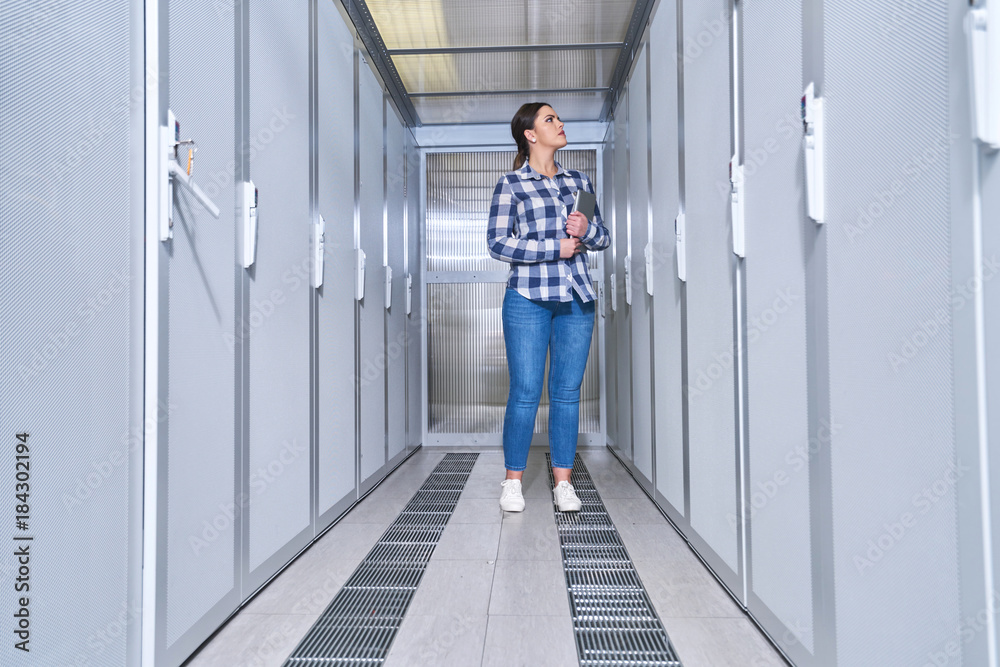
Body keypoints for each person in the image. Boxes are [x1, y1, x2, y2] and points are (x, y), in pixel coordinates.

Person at [486, 102, 611, 513]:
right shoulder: (511, 184)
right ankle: (512, 483)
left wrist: (587, 229)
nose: (560, 123)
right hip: (528, 299)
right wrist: (552, 247)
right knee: (524, 392)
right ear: (530, 134)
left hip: (576, 299)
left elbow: (602, 237)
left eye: (559, 117)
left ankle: (563, 484)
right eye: (550, 119)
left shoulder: (581, 182)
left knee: (566, 393)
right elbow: (498, 243)